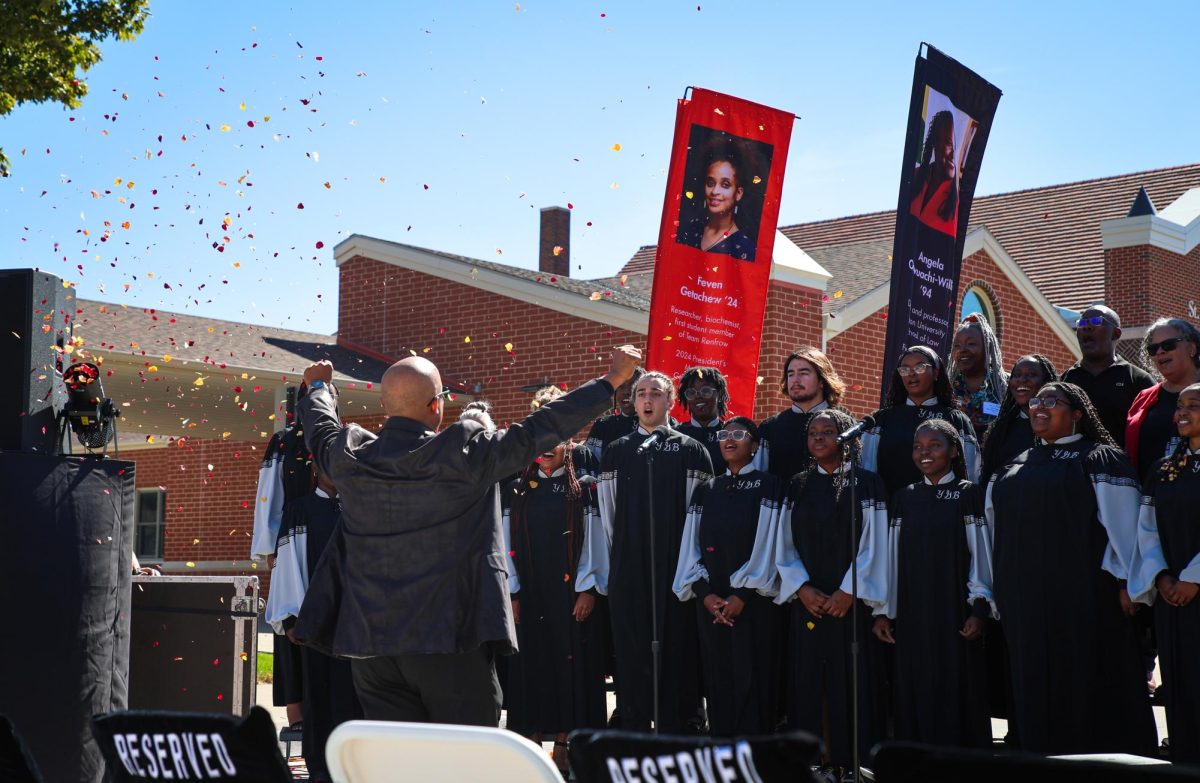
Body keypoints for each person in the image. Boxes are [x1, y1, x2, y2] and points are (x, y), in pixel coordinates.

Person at [290, 346, 641, 725]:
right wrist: (613, 380)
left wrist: (320, 388)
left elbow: (321, 430)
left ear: (386, 404)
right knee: (468, 756)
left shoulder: (351, 457)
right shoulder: (464, 454)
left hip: (371, 647)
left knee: (399, 761)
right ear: (435, 406)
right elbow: (541, 428)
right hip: (449, 641)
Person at [985, 382, 1157, 754]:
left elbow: (1125, 526)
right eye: (1035, 402)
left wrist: (1129, 580)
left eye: (1052, 401)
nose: (1039, 407)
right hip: (1023, 599)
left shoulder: (1099, 458)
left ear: (1077, 413)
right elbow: (993, 533)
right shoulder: (1011, 467)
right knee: (1034, 680)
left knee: (1085, 676)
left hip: (1085, 594)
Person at [583, 371, 714, 732]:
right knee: (632, 647)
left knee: (677, 647)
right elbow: (607, 514)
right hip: (629, 566)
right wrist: (617, 562)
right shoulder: (618, 450)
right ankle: (634, 721)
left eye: (655, 393)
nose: (646, 400)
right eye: (641, 393)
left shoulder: (691, 450)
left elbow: (697, 516)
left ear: (670, 402)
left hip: (676, 568)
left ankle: (680, 725)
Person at [774, 408, 889, 777]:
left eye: (828, 431)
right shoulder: (798, 485)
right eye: (813, 433)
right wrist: (802, 588)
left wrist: (850, 589)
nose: (819, 438)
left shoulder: (867, 483)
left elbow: (876, 542)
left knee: (850, 684)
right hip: (809, 604)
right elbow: (783, 543)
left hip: (850, 605)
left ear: (847, 438)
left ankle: (851, 763)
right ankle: (816, 763)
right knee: (810, 684)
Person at [873, 419, 992, 747]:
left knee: (957, 687)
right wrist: (884, 611)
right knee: (915, 688)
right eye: (918, 447)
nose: (924, 453)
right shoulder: (904, 498)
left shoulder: (968, 495)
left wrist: (979, 608)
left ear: (954, 450)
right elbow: (891, 558)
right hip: (912, 614)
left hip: (956, 611)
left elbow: (980, 552)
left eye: (934, 445)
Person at [502, 429, 607, 774]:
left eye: (555, 441)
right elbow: (505, 543)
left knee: (569, 667)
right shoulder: (516, 488)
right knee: (530, 667)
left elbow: (593, 541)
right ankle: (529, 741)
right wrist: (513, 592)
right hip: (529, 594)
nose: (547, 448)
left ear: (568, 446)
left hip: (569, 594)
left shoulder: (583, 488)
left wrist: (587, 588)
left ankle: (563, 742)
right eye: (540, 441)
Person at [673, 417, 782, 736]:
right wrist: (705, 594)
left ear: (755, 446)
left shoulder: (769, 485)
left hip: (753, 606)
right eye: (724, 434)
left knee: (754, 680)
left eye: (739, 434)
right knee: (718, 679)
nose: (729, 439)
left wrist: (742, 596)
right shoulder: (707, 490)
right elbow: (690, 547)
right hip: (712, 605)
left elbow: (768, 544)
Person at [265, 465, 362, 783]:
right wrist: (292, 618)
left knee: (356, 697)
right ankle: (320, 768)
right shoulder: (300, 511)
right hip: (316, 622)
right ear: (317, 470)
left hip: (356, 624)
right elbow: (287, 566)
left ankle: (355, 767)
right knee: (319, 696)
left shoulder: (360, 507)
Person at [1131, 382, 1200, 763]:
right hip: (1172, 599)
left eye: (1194, 404)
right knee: (1179, 685)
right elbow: (1147, 527)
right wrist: (1160, 576)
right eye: (1179, 406)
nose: (1182, 412)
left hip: (1193, 588)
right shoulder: (1165, 469)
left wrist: (1193, 577)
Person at [861, 346, 980, 501]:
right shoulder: (881, 420)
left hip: (944, 512)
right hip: (891, 515)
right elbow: (867, 473)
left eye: (919, 367)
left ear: (936, 373)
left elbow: (970, 474)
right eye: (904, 369)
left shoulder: (955, 419)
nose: (911, 373)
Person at [1061, 305, 1153, 451]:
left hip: (1121, 468)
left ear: (1115, 334)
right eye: (1082, 323)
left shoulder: (1139, 380)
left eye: (1096, 321)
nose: (1087, 327)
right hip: (1073, 469)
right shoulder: (1065, 381)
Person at [758, 346, 847, 483]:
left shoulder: (845, 423)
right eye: (790, 374)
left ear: (822, 380)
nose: (795, 380)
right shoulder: (770, 427)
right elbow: (758, 478)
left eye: (803, 373)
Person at [1127, 318, 1200, 481]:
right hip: (1151, 498)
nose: (1160, 352)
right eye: (1153, 349)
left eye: (1168, 345)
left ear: (1192, 349)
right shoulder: (1144, 398)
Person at [979, 354, 1058, 484]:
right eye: (1016, 375)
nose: (1022, 379)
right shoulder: (1001, 430)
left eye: (1032, 374)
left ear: (1046, 382)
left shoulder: (1058, 426)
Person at [676, 140, 757, 261]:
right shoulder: (689, 232)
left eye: (725, 184)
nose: (714, 191)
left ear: (738, 193)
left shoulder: (745, 249)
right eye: (710, 183)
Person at [948, 313, 1007, 439]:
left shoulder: (1006, 386)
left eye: (971, 344)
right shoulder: (946, 387)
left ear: (987, 347)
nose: (962, 349)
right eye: (957, 345)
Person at [908, 110, 959, 238]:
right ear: (935, 141)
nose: (953, 155)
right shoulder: (914, 177)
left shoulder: (957, 200)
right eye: (948, 143)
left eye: (956, 147)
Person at [585, 366, 644, 464]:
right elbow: (590, 464)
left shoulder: (658, 424)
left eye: (633, 386)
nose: (626, 392)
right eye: (621, 386)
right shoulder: (603, 425)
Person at [675, 366, 731, 468]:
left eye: (706, 391)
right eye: (691, 392)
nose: (698, 396)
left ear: (719, 394)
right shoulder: (676, 435)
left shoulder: (730, 434)